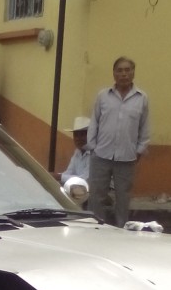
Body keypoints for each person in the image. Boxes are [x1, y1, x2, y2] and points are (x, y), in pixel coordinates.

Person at [87, 56, 150, 227]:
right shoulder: (103, 96)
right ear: (114, 74)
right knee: (97, 197)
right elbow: (94, 122)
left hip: (127, 157)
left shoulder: (141, 98)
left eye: (127, 70)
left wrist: (140, 150)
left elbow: (144, 127)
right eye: (120, 70)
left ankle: (121, 230)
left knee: (123, 198)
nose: (124, 74)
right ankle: (96, 229)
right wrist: (92, 147)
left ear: (133, 73)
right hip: (101, 154)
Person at [58, 116, 91, 185]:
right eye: (75, 135)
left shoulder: (95, 154)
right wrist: (56, 177)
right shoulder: (77, 152)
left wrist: (60, 177)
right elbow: (68, 172)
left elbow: (85, 179)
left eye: (82, 135)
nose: (78, 139)